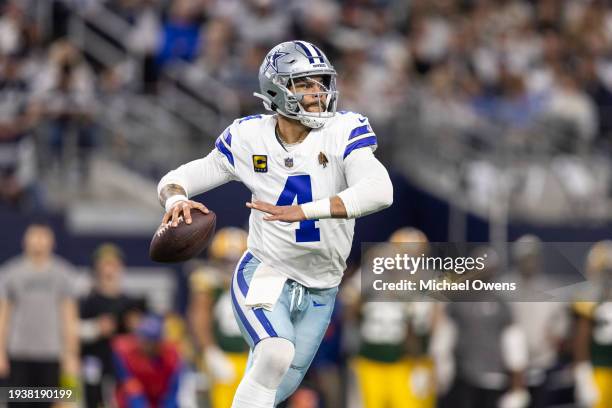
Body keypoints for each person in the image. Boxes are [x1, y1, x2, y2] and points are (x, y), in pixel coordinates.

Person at [157, 40, 393, 407]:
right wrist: (175, 199)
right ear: (275, 90)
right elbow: (178, 178)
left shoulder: (344, 129)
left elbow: (380, 191)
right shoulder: (250, 137)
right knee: (275, 354)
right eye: (304, 84)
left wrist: (307, 210)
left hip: (323, 286)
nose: (318, 93)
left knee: (276, 384)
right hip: (268, 271)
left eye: (321, 82)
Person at [0, 223, 80, 408]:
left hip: (51, 355)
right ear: (25, 241)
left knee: (48, 404)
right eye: (33, 236)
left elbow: (69, 317)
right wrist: (1, 352)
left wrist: (71, 355)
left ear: (52, 242)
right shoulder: (10, 273)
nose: (38, 241)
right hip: (18, 354)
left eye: (43, 236)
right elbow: (3, 315)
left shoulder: (63, 274)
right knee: (19, 403)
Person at [187, 227, 250, 407]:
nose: (230, 266)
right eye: (225, 260)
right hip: (221, 355)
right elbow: (199, 316)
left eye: (235, 260)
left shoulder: (256, 281)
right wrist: (210, 351)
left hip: (248, 356)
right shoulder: (208, 281)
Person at [80, 243, 147, 408]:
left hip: (123, 372)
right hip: (93, 366)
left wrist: (138, 327)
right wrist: (96, 328)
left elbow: (148, 339)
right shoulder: (87, 302)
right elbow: (71, 330)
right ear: (97, 268)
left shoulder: (131, 304)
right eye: (104, 264)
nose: (109, 269)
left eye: (113, 264)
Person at [112, 314, 185, 407]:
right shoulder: (125, 353)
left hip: (161, 398)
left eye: (150, 341)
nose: (145, 345)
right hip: (137, 399)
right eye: (143, 339)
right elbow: (132, 390)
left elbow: (172, 392)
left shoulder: (171, 356)